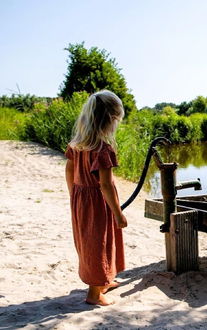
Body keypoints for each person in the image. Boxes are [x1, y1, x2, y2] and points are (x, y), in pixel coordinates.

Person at [64, 90, 128, 306]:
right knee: (98, 244)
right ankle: (94, 294)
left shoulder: (77, 145)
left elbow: (69, 170)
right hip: (99, 203)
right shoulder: (103, 149)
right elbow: (106, 185)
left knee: (89, 242)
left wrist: (74, 193)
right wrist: (118, 214)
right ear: (110, 119)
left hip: (80, 199)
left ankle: (103, 281)